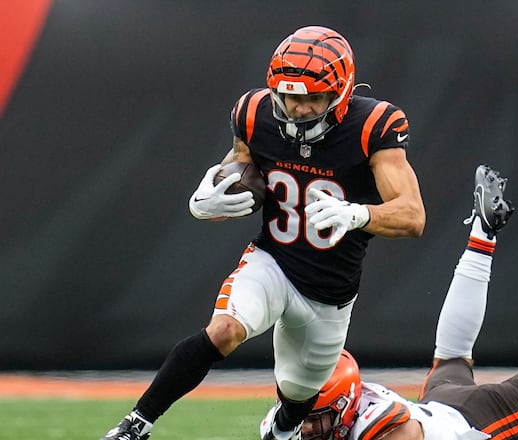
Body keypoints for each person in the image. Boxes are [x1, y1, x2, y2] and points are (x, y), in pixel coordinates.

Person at [101, 25, 425, 440]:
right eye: (290, 97)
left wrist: (358, 214)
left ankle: (282, 430)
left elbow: (413, 216)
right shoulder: (254, 115)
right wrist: (208, 200)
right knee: (225, 329)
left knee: (298, 394)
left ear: (341, 95)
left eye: (312, 99)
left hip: (330, 293)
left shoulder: (371, 126)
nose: (299, 109)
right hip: (274, 260)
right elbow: (241, 172)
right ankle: (134, 427)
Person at [274, 147, 518, 440]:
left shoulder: (386, 432)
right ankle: (482, 231)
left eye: (313, 418)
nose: (302, 427)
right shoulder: (296, 420)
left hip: (483, 420)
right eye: (300, 413)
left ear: (345, 408)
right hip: (441, 402)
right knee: (450, 360)